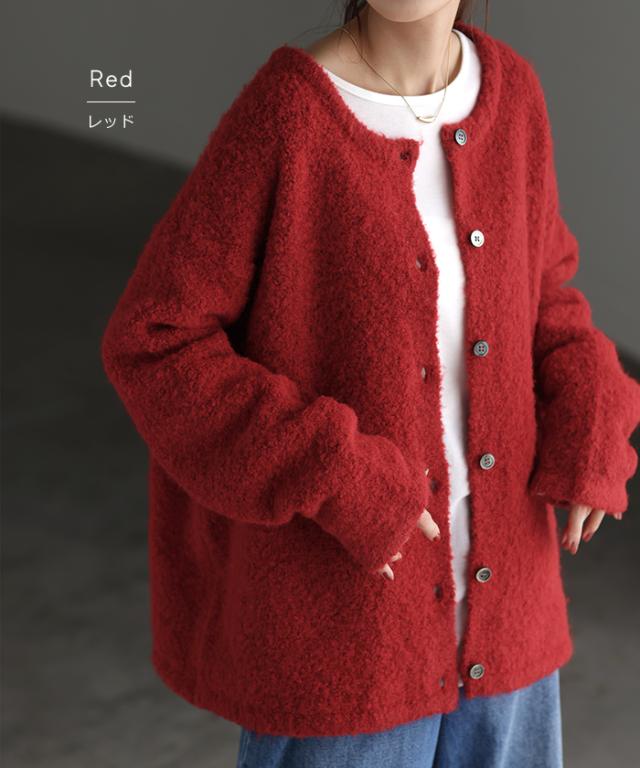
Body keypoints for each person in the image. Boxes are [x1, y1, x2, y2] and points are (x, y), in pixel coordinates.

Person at [100, 1, 640, 766]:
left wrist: (593, 416)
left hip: (510, 634)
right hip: (345, 646)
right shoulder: (289, 114)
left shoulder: (512, 94)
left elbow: (545, 294)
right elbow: (155, 342)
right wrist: (334, 471)